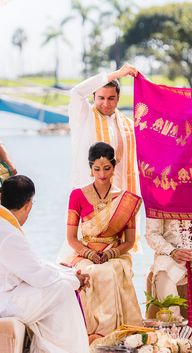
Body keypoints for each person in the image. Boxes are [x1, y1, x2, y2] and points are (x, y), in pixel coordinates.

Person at [59, 142, 142, 341]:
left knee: (109, 271)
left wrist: (109, 254)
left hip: (115, 253)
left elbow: (129, 242)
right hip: (84, 252)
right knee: (90, 271)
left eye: (107, 168)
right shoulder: (77, 195)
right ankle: (90, 332)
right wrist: (89, 254)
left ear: (114, 167)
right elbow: (71, 238)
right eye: (96, 169)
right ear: (90, 169)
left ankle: (112, 332)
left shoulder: (124, 200)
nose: (102, 174)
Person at [0, 175, 90, 353]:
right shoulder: (8, 232)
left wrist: (69, 274)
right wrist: (75, 281)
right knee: (63, 289)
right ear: (28, 205)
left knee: (60, 287)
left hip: (8, 293)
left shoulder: (5, 225)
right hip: (5, 302)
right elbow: (38, 276)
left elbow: (33, 264)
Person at [69, 63, 139, 193]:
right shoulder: (84, 117)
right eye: (101, 98)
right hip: (90, 198)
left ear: (118, 99)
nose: (106, 104)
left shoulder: (128, 125)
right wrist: (117, 74)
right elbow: (76, 92)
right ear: (93, 97)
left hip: (123, 198)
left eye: (111, 98)